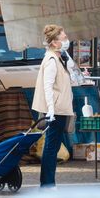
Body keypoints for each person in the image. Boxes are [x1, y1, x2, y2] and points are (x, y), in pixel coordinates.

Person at [32, 24, 74, 189]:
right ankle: (47, 184)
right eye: (63, 38)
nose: (66, 41)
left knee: (53, 146)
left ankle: (48, 183)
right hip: (55, 109)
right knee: (51, 147)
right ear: (55, 42)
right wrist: (50, 109)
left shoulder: (58, 57)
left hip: (59, 108)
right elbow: (47, 86)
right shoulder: (51, 60)